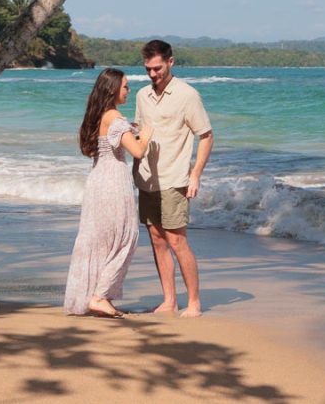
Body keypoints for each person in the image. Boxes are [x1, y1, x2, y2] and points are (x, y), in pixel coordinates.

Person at [133, 40, 214, 318]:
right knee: (156, 239)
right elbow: (141, 134)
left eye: (157, 68)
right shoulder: (142, 95)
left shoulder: (187, 95)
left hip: (174, 178)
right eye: (148, 69)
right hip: (146, 179)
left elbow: (206, 135)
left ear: (171, 62)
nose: (153, 74)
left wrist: (195, 175)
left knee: (177, 241)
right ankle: (169, 300)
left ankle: (194, 302)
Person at [64, 68, 153, 317]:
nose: (128, 90)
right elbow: (137, 151)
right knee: (126, 236)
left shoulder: (101, 115)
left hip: (97, 179)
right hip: (113, 181)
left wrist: (130, 128)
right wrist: (145, 135)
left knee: (99, 239)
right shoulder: (114, 117)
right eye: (125, 86)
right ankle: (100, 295)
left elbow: (110, 140)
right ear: (114, 89)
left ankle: (96, 295)